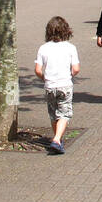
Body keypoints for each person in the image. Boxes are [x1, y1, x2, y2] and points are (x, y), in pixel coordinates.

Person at [35, 15, 79, 155]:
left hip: (49, 85)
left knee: (53, 113)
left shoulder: (43, 48)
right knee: (65, 113)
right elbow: (76, 69)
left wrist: (44, 78)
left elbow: (37, 69)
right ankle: (57, 139)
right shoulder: (70, 48)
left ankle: (57, 140)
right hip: (64, 84)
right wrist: (70, 75)